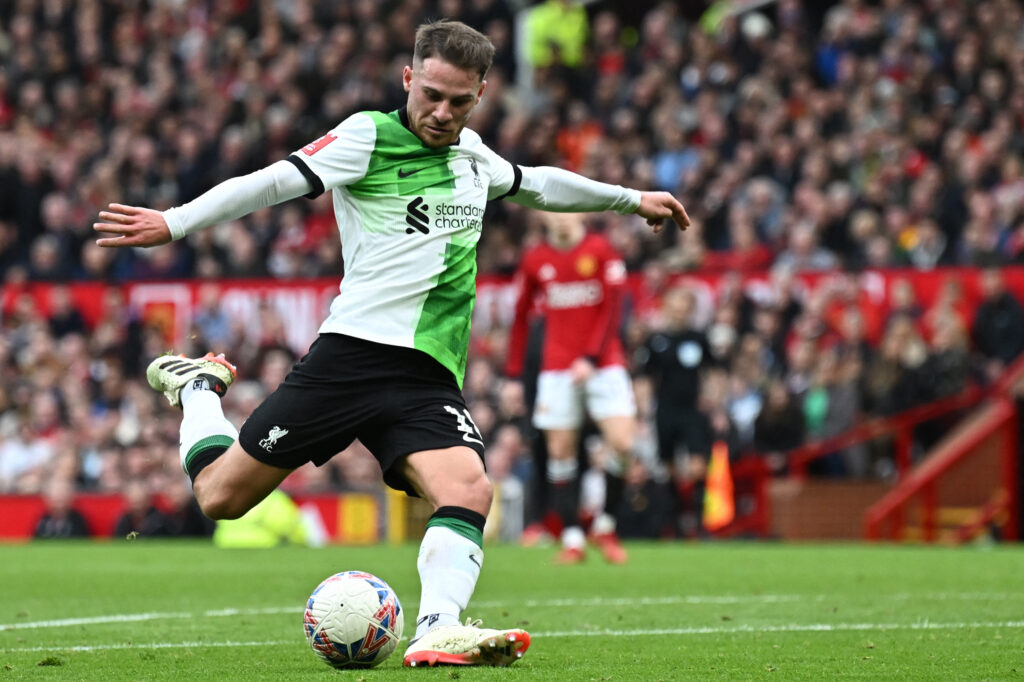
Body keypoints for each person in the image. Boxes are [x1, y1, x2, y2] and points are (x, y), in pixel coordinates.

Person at [93, 20, 688, 669]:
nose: (441, 112)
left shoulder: (474, 157)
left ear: (481, 94)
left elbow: (541, 183)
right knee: (220, 498)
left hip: (427, 375)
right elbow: (269, 182)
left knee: (469, 487)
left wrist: (632, 200)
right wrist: (175, 222)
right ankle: (200, 389)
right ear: (409, 78)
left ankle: (437, 626)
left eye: (459, 101)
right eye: (431, 93)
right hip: (351, 356)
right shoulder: (366, 136)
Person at [505, 211, 634, 564]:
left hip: (604, 364)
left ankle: (606, 525)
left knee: (622, 443)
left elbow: (612, 309)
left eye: (567, 209)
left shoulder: (602, 250)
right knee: (561, 452)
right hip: (557, 369)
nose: (560, 218)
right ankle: (574, 538)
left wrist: (591, 358)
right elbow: (519, 317)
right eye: (552, 211)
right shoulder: (535, 259)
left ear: (580, 211)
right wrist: (515, 376)